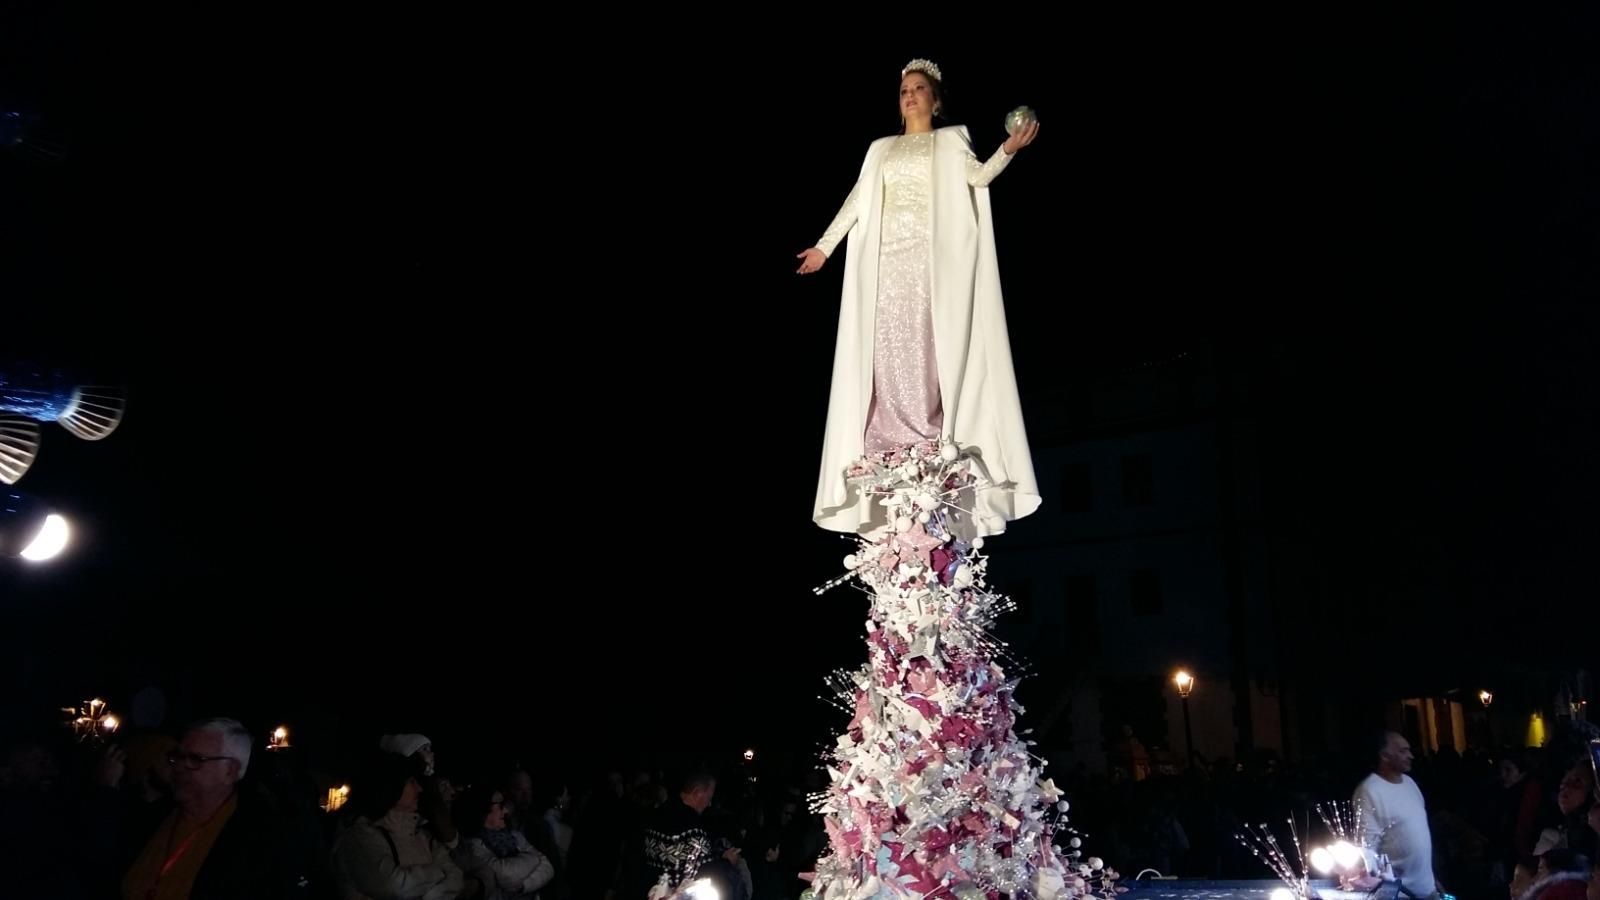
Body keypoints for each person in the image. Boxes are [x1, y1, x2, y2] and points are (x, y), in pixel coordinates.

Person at [797, 58, 1042, 539]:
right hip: (886, 267)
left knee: (927, 351)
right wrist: (825, 248)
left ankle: (927, 439)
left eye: (919, 88)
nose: (910, 95)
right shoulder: (880, 149)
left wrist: (1007, 149)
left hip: (931, 267)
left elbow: (978, 178)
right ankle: (887, 445)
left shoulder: (951, 141)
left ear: (935, 99)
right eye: (905, 89)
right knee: (883, 355)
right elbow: (857, 200)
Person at [1355, 731, 1438, 899]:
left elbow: (1420, 839)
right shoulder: (1369, 791)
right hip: (1400, 894)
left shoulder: (1410, 783)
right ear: (1385, 756)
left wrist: (1433, 879)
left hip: (1428, 890)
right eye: (1403, 751)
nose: (1411, 756)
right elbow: (1367, 849)